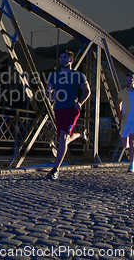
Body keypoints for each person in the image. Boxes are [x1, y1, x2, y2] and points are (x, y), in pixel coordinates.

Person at [45, 50, 91, 180]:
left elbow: (87, 90)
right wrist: (52, 95)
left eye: (65, 57)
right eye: (61, 57)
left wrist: (80, 102)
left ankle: (56, 169)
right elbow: (47, 91)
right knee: (63, 139)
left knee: (64, 138)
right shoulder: (54, 75)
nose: (62, 59)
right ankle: (80, 134)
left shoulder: (78, 76)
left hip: (72, 109)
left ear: (71, 60)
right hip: (58, 109)